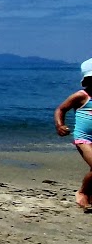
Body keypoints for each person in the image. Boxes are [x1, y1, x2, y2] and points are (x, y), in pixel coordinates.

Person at [52, 57, 92, 212]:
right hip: (84, 138)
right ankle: (82, 192)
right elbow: (61, 109)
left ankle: (89, 194)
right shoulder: (81, 96)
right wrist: (60, 125)